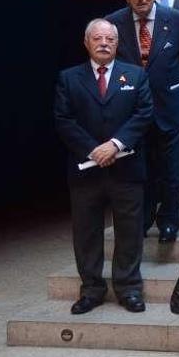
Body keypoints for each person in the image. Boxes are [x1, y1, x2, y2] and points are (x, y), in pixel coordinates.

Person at [54, 19, 153, 315]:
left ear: (117, 42)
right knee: (86, 232)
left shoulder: (135, 74)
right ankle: (92, 290)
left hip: (127, 170)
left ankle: (129, 288)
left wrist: (116, 144)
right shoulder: (68, 78)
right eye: (97, 38)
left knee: (129, 231)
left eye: (110, 38)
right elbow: (63, 120)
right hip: (85, 171)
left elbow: (144, 113)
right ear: (86, 43)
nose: (104, 43)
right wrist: (94, 151)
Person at [105, 0, 179, 242]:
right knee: (138, 168)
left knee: (171, 167)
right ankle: (142, 220)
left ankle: (169, 221)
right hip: (132, 111)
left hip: (170, 106)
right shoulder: (113, 23)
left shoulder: (177, 20)